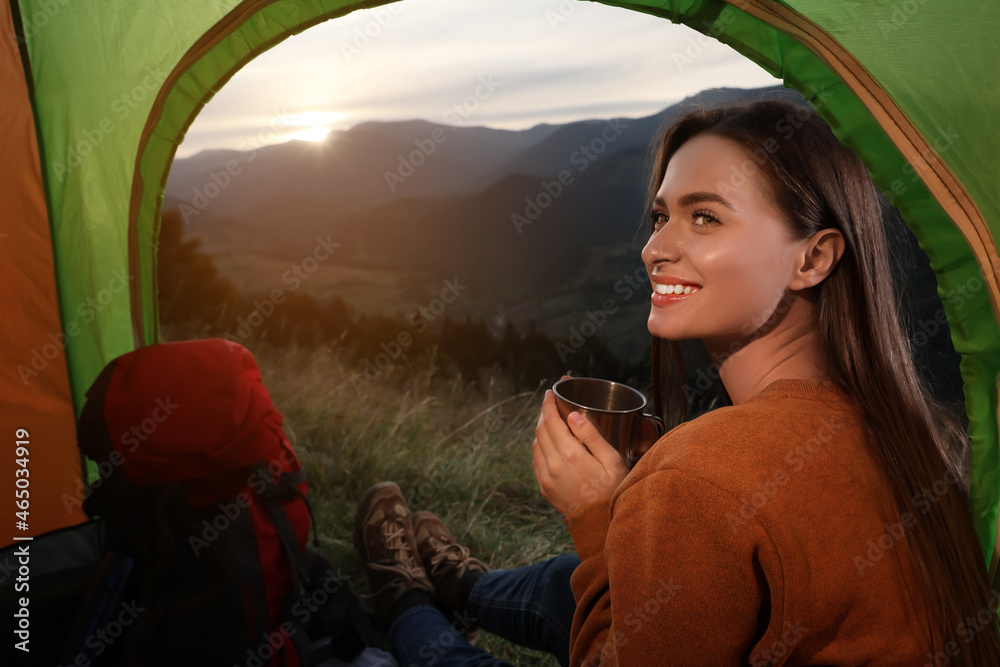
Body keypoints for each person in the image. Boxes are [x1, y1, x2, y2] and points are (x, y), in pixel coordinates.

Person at [352, 99, 1000, 666]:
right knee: (562, 585)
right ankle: (461, 584)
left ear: (813, 257)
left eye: (705, 217)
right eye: (662, 215)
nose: (653, 248)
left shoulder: (697, 476)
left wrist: (596, 517)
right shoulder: (922, 438)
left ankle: (406, 596)